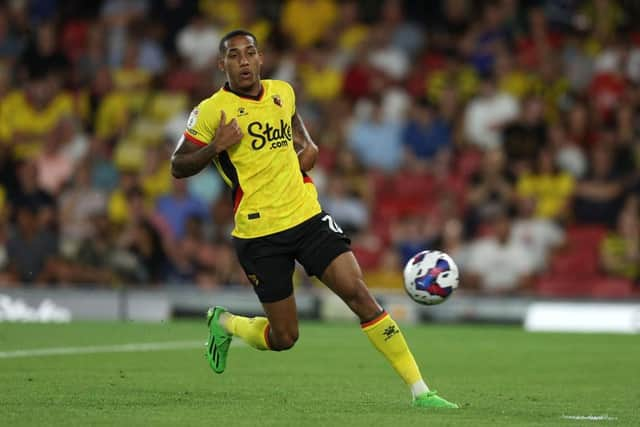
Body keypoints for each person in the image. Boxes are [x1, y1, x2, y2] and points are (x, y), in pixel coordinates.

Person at [171, 30, 457, 409]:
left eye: (250, 53)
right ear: (221, 64)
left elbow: (302, 139)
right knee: (284, 336)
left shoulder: (282, 92)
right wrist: (215, 147)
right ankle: (224, 323)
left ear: (260, 59)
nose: (243, 61)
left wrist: (307, 149)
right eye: (234, 55)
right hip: (259, 233)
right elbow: (178, 166)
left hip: (307, 217)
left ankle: (422, 392)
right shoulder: (211, 110)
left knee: (360, 296)